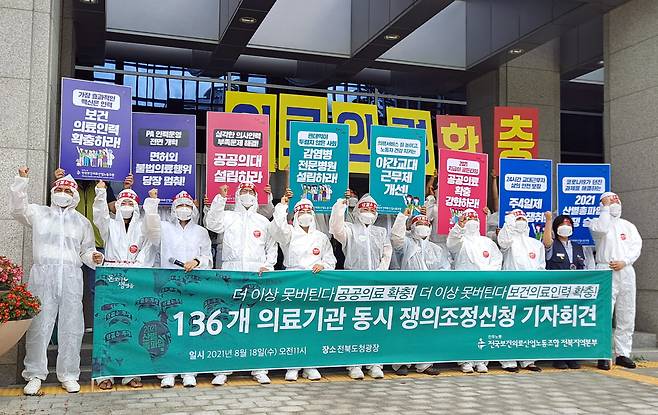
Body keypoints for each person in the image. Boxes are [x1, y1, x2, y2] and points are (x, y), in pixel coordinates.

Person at [11, 167, 103, 395]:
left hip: (72, 277)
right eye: (59, 189)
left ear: (74, 196)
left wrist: (94, 257)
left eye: (66, 190)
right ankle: (34, 374)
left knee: (72, 327)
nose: (62, 192)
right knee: (39, 326)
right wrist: (22, 180)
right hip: (43, 275)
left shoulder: (82, 222)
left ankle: (69, 374)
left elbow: (86, 250)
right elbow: (17, 209)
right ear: (53, 191)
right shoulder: (39, 213)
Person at [205, 182, 278, 385]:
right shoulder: (228, 217)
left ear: (256, 197)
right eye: (243, 192)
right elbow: (212, 223)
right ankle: (223, 367)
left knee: (255, 321)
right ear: (237, 196)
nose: (247, 195)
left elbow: (272, 246)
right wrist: (220, 199)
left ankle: (258, 368)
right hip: (231, 273)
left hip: (256, 275)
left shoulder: (263, 221)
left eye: (250, 192)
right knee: (228, 319)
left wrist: (268, 265)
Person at [92, 181, 159, 389]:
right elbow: (100, 216)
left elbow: (151, 245)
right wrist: (101, 192)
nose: (127, 205)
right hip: (111, 281)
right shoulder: (110, 226)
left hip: (135, 280)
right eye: (123, 202)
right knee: (108, 327)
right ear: (117, 205)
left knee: (133, 325)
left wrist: (152, 202)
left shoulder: (142, 228)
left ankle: (131, 372)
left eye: (131, 202)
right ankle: (105, 374)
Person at [143, 189, 213, 388]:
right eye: (180, 206)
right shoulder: (164, 228)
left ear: (194, 209)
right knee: (167, 326)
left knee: (190, 327)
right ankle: (168, 371)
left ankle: (189, 371)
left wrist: (197, 260)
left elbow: (208, 256)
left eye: (188, 206)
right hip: (168, 283)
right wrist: (153, 202)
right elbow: (150, 229)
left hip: (193, 284)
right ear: (173, 209)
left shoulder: (201, 232)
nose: (184, 209)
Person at [269, 189, 336, 381]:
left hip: (315, 284)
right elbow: (277, 229)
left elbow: (330, 259)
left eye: (308, 212)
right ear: (296, 215)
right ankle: (292, 365)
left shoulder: (321, 237)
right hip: (293, 283)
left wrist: (322, 264)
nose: (305, 216)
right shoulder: (289, 233)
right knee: (293, 325)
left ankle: (310, 364)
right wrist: (282, 206)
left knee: (312, 325)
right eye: (301, 213)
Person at [329, 192, 392, 380]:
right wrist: (341, 205)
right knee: (354, 323)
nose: (368, 212)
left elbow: (387, 253)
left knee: (375, 323)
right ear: (357, 211)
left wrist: (380, 272)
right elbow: (335, 228)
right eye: (364, 208)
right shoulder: (349, 229)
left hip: (376, 282)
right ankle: (354, 363)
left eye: (372, 210)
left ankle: (375, 363)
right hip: (354, 281)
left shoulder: (380, 232)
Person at [390, 208, 450, 376]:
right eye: (419, 223)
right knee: (405, 328)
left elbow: (444, 269)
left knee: (427, 328)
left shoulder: (436, 248)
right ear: (413, 227)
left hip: (429, 294)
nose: (423, 226)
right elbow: (396, 237)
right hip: (409, 292)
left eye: (426, 223)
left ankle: (424, 363)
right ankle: (401, 363)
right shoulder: (407, 243)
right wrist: (403, 216)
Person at [590, 192, 642, 370]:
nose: (615, 202)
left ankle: (622, 353)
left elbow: (636, 246)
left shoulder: (628, 226)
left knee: (627, 312)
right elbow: (603, 229)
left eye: (616, 199)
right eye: (610, 199)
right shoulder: (596, 223)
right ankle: (603, 353)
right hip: (605, 269)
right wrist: (604, 208)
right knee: (604, 313)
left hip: (625, 270)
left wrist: (625, 261)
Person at [446, 208, 502, 374]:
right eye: (468, 217)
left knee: (483, 324)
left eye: (474, 217)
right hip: (464, 290)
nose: (472, 220)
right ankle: (464, 360)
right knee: (464, 325)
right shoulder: (460, 241)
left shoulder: (487, 242)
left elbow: (497, 260)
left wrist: (486, 277)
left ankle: (481, 360)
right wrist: (459, 226)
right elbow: (451, 243)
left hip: (485, 289)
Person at [497, 209, 546, 373]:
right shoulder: (508, 241)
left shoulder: (536, 244)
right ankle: (508, 360)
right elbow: (503, 240)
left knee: (529, 323)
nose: (520, 220)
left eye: (522, 217)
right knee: (509, 323)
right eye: (517, 218)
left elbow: (541, 267)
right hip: (510, 287)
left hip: (531, 289)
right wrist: (510, 219)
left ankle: (528, 359)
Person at [543, 211, 590, 370]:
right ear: (556, 228)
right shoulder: (552, 245)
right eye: (562, 224)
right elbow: (547, 241)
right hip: (556, 292)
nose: (566, 227)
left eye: (569, 224)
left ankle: (572, 356)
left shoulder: (578, 247)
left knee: (573, 325)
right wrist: (549, 221)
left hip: (575, 292)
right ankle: (558, 357)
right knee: (558, 325)